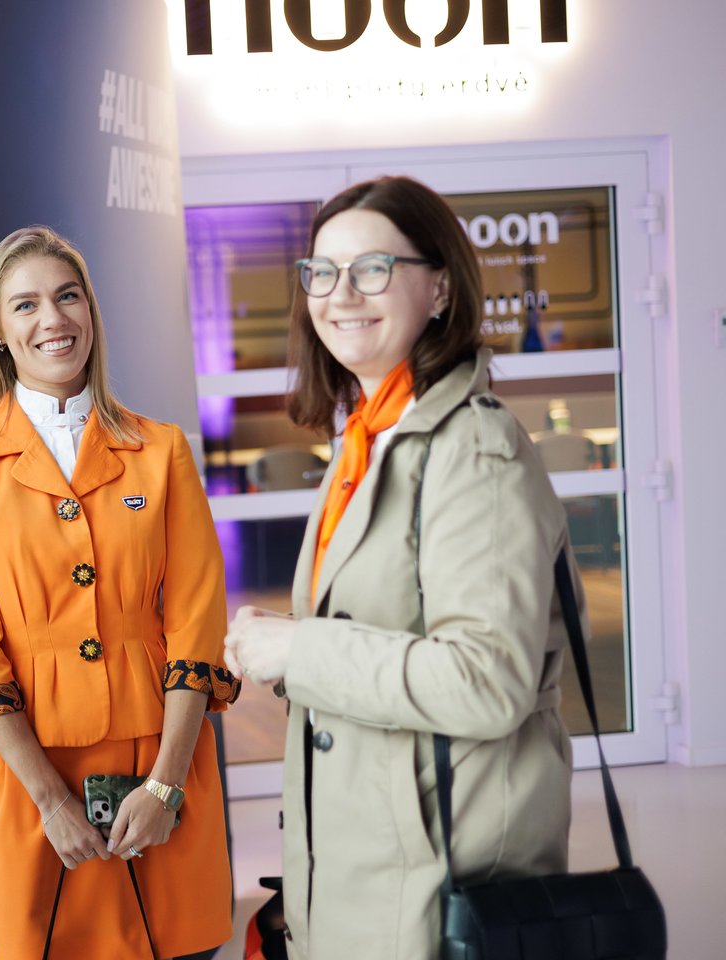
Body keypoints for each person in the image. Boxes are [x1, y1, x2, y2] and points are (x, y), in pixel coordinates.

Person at [223, 176, 579, 960]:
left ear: (440, 287)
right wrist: (290, 641)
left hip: (442, 876)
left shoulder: (472, 450)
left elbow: (486, 681)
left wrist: (301, 648)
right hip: (371, 858)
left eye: (373, 268)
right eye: (322, 272)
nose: (341, 294)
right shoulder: (371, 438)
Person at [0, 226, 238, 960]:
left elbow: (197, 621)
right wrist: (52, 800)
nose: (52, 320)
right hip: (26, 780)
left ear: (90, 311)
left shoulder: (161, 449)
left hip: (159, 763)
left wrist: (165, 787)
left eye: (67, 297)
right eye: (25, 305)